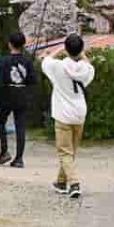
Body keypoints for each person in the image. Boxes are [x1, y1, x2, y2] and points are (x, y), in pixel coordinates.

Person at [41, 33, 94, 198]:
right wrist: (82, 54)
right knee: (71, 151)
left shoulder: (57, 67)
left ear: (66, 49)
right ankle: (61, 181)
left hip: (63, 113)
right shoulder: (86, 69)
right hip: (79, 113)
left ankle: (74, 183)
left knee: (64, 152)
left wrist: (57, 51)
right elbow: (88, 65)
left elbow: (45, 61)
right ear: (81, 50)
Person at [0, 31, 37, 168]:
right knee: (20, 126)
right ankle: (19, 158)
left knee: (1, 121)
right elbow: (33, 80)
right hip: (22, 95)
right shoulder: (27, 61)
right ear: (23, 44)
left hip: (7, 95)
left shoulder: (5, 61)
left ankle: (4, 151)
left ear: (10, 44)